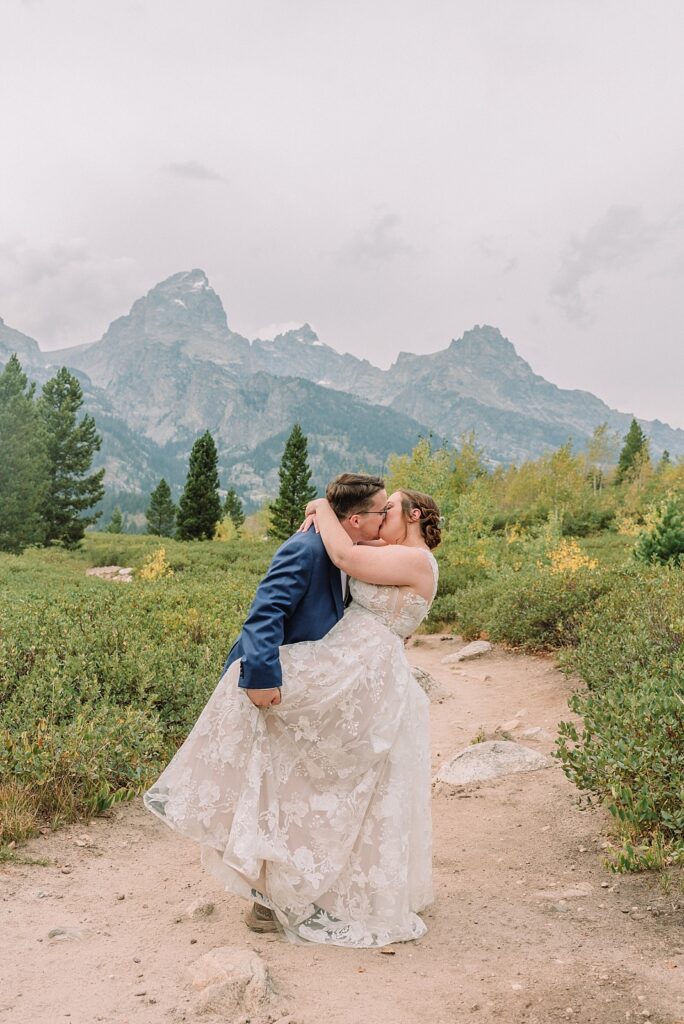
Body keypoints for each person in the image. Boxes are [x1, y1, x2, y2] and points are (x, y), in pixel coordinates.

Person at [143, 486, 441, 948]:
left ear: (414, 514)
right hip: (346, 663)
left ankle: (294, 886)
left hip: (366, 672)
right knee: (308, 770)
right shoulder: (385, 547)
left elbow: (343, 553)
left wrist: (321, 506)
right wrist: (333, 516)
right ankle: (274, 878)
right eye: (377, 510)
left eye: (390, 509)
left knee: (339, 782)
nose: (382, 516)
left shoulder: (417, 561)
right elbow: (347, 538)